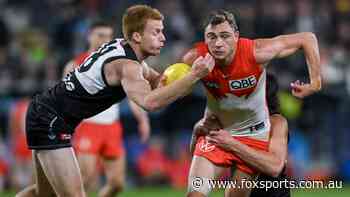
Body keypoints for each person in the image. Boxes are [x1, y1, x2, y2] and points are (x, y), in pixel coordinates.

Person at [16, 5, 214, 197]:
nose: (163, 38)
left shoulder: (127, 50)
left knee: (44, 193)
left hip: (47, 112)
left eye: (162, 31)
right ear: (137, 36)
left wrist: (183, 73)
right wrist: (191, 77)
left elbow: (157, 81)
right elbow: (150, 102)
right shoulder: (126, 66)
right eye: (156, 32)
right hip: (50, 119)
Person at [183, 10, 321, 197]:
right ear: (205, 39)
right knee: (195, 193)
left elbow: (307, 38)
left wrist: (315, 82)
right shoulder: (195, 59)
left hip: (252, 137)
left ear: (236, 37)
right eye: (211, 37)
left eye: (224, 36)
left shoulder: (256, 52)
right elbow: (163, 82)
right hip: (217, 131)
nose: (218, 43)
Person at [63, 21, 151, 197]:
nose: (104, 40)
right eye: (100, 35)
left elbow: (132, 93)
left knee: (117, 184)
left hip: (112, 127)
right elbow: (64, 98)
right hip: (88, 125)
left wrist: (142, 119)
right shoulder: (75, 64)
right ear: (89, 36)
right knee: (85, 180)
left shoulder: (118, 63)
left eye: (108, 36)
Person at [191, 73, 290, 197]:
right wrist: (196, 133)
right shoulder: (226, 119)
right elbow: (200, 159)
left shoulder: (276, 122)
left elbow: (274, 167)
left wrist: (232, 144)